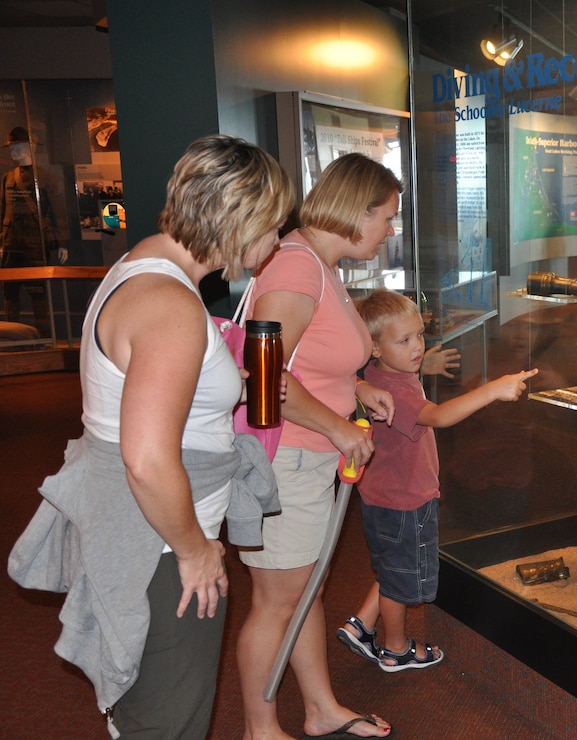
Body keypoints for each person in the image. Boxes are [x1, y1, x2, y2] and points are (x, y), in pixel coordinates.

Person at [8, 134, 293, 737]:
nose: (275, 244)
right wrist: (196, 550)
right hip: (161, 546)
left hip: (140, 532)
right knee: (167, 723)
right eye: (273, 227)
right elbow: (145, 458)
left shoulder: (142, 266)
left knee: (144, 713)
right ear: (240, 219)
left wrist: (226, 387)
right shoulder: (169, 302)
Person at [237, 152, 399, 739]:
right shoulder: (296, 268)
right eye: (386, 217)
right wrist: (336, 427)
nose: (390, 230)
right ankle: (259, 729)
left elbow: (308, 359)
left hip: (310, 455)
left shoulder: (321, 265)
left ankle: (319, 709)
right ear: (356, 210)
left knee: (304, 590)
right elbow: (263, 376)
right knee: (276, 600)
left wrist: (355, 389)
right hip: (287, 456)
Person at [336, 288, 537, 672]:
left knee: (394, 564)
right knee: (400, 578)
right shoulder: (396, 392)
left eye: (419, 336)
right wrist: (494, 390)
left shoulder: (379, 376)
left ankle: (361, 623)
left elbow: (402, 375)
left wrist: (421, 364)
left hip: (383, 495)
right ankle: (396, 648)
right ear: (374, 348)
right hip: (406, 501)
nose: (416, 347)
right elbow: (440, 416)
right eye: (404, 340)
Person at [0, 126, 66, 337]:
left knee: (39, 294)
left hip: (35, 243)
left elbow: (57, 211)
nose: (13, 151)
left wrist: (62, 242)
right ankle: (12, 338)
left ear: (30, 147)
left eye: (18, 146)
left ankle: (45, 338)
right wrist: (1, 242)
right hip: (11, 244)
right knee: (10, 294)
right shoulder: (7, 178)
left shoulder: (45, 178)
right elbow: (2, 211)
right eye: (12, 147)